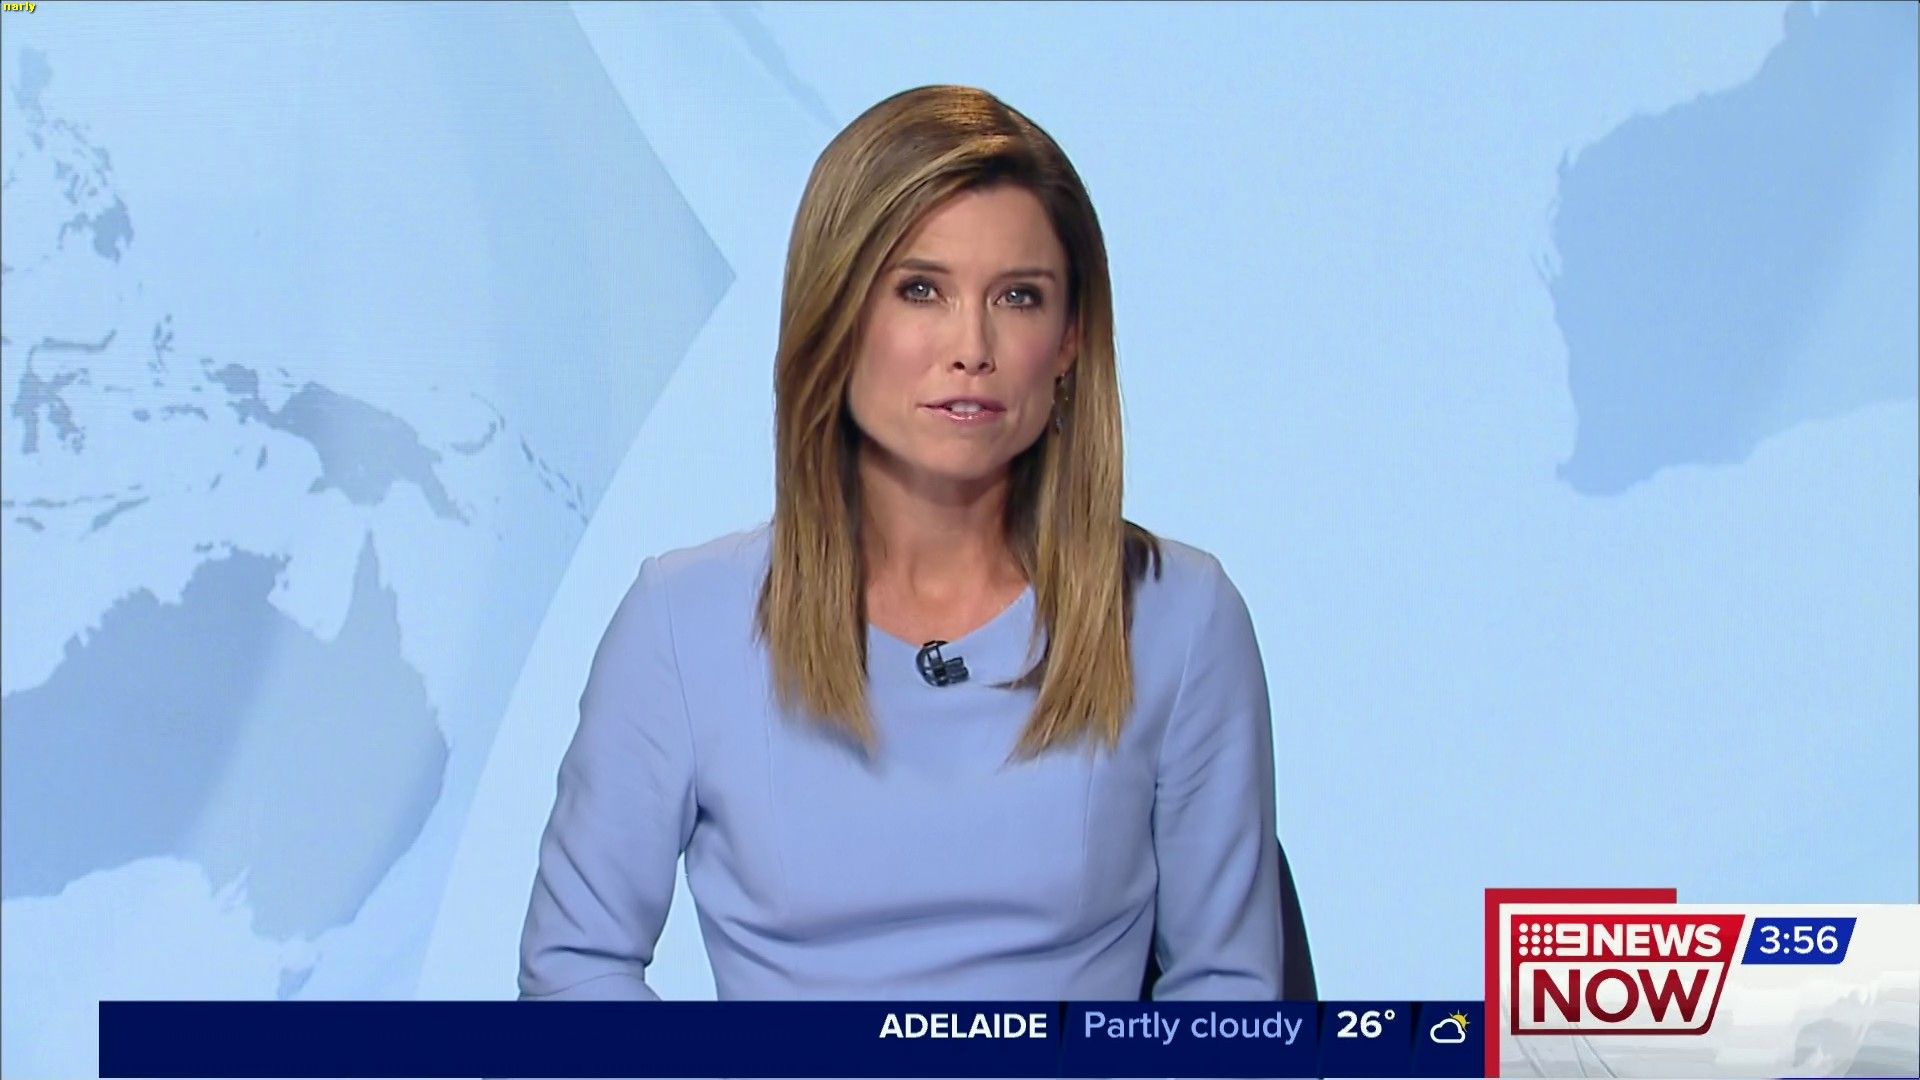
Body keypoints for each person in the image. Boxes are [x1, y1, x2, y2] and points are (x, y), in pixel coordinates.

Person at [517, 84, 1286, 1002]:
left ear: (1069, 342)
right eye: (921, 290)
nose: (972, 346)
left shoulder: (1179, 618)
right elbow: (574, 973)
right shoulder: (682, 624)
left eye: (1020, 297)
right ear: (836, 317)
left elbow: (1230, 1001)